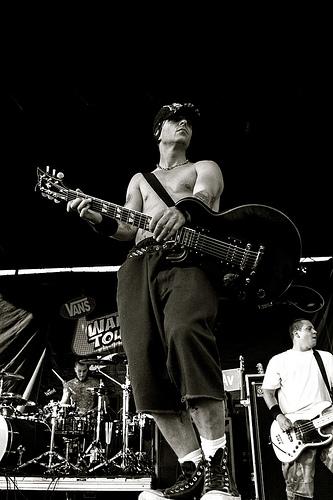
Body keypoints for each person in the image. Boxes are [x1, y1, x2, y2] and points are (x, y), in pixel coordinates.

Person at [66, 102, 240, 499]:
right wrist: (94, 215)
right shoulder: (139, 179)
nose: (183, 126)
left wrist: (183, 212)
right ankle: (192, 464)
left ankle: (218, 465)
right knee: (142, 363)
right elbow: (127, 227)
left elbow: (205, 196)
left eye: (188, 123)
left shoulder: (204, 166)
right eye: (174, 120)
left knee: (186, 332)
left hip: (188, 260)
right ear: (158, 130)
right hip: (138, 266)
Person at [262, 318, 333, 500]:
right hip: (296, 431)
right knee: (299, 491)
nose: (315, 332)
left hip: (327, 420)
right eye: (309, 329)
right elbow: (268, 392)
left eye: (315, 329)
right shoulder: (279, 360)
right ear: (296, 334)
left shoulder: (326, 357)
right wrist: (278, 417)